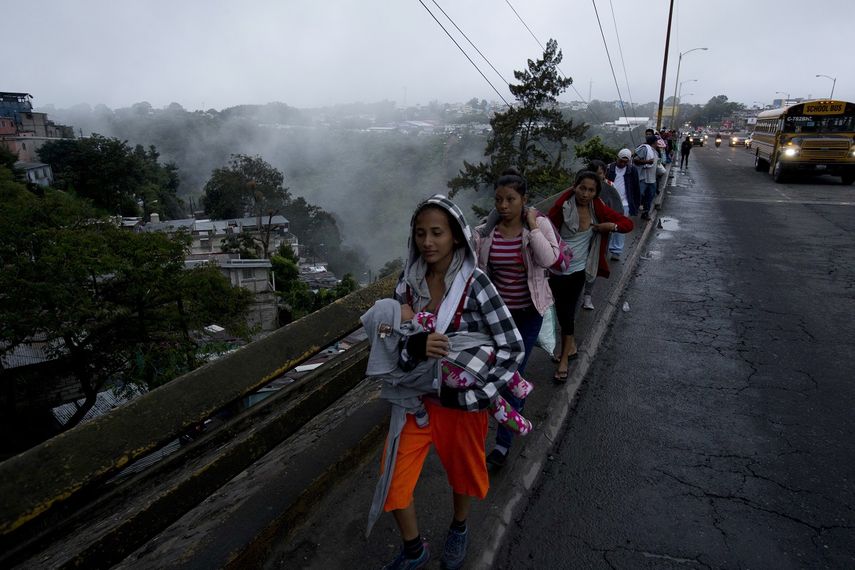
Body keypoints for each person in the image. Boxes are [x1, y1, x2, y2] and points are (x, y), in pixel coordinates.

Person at [373, 195, 524, 570]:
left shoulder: (476, 284)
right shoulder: (407, 285)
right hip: (416, 403)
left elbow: (511, 343)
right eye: (421, 233)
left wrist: (484, 393)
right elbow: (395, 344)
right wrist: (416, 344)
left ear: (456, 236)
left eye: (437, 233)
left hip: (463, 404)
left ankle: (459, 527)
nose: (428, 242)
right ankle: (414, 549)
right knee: (393, 481)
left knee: (463, 473)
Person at [472, 168, 560, 467]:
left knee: (510, 375)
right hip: (496, 319)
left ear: (524, 199)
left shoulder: (539, 226)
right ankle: (509, 416)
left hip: (528, 315)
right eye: (498, 199)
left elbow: (549, 260)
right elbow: (473, 268)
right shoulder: (486, 232)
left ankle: (502, 444)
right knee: (497, 376)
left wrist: (533, 225)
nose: (503, 206)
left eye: (511, 199)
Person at [547, 171, 633, 380]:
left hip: (580, 271)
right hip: (557, 270)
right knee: (562, 312)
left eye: (591, 190)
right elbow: (546, 228)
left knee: (568, 312)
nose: (585, 194)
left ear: (596, 193)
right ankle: (572, 346)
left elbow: (627, 224)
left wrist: (610, 226)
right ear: (574, 187)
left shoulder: (598, 209)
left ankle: (565, 357)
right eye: (581, 188)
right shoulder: (563, 208)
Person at [581, 160, 622, 311]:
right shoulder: (581, 189)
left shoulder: (609, 188)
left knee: (593, 264)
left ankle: (587, 296)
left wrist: (609, 225)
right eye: (594, 174)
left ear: (604, 173)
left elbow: (618, 213)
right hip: (581, 234)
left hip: (600, 234)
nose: (597, 178)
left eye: (599, 174)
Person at [633, 133, 660, 220]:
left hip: (652, 179)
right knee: (638, 195)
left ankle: (645, 213)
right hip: (643, 178)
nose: (657, 144)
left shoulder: (655, 151)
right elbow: (635, 160)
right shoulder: (645, 149)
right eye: (656, 142)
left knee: (650, 196)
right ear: (653, 142)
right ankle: (632, 212)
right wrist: (647, 162)